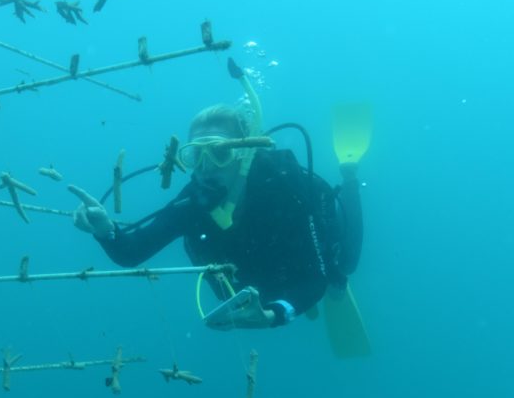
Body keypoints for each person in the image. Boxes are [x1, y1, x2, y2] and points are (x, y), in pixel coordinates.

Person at [69, 100, 363, 330]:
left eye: (220, 152)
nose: (206, 166)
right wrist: (104, 230)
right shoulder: (194, 201)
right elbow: (131, 253)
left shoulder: (284, 189)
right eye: (196, 155)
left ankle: (349, 174)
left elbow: (316, 279)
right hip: (255, 280)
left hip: (302, 260)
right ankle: (287, 298)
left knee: (345, 266)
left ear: (244, 153)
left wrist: (275, 314)